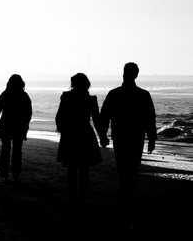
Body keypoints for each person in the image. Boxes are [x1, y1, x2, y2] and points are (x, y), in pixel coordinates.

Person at [99, 62, 156, 224]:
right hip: (136, 136)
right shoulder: (143, 95)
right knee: (133, 167)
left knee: (123, 167)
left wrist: (103, 135)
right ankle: (129, 197)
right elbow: (150, 119)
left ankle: (126, 197)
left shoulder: (114, 94)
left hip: (120, 136)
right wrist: (152, 138)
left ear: (124, 73)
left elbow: (104, 116)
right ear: (136, 75)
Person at [55, 73, 105, 204]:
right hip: (85, 134)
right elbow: (96, 120)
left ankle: (73, 197)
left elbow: (59, 116)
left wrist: (62, 130)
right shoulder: (91, 99)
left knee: (71, 169)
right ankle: (82, 198)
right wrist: (102, 136)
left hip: (70, 134)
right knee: (84, 169)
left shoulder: (66, 96)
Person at [0, 74, 32, 183]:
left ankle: (4, 172)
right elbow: (28, 113)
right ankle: (16, 173)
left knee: (5, 149)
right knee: (17, 150)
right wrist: (25, 126)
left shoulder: (5, 94)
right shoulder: (24, 95)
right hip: (19, 126)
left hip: (6, 125)